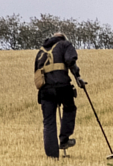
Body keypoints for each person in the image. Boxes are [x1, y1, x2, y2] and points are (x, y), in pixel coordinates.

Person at [32, 30, 84, 158]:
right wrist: (78, 78)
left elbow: (36, 72)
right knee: (69, 108)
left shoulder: (41, 51)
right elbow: (70, 61)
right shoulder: (65, 45)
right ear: (63, 38)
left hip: (45, 90)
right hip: (62, 86)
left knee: (49, 122)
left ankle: (52, 156)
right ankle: (64, 139)